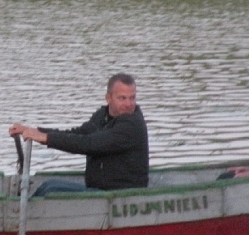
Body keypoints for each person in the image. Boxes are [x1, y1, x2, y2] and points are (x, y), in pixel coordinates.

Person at [8, 73, 149, 196]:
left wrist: (46, 138)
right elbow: (77, 134)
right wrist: (37, 131)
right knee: (49, 185)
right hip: (99, 191)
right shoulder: (102, 115)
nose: (129, 104)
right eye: (122, 98)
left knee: (51, 190)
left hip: (120, 195)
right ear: (108, 98)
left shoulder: (131, 125)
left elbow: (89, 144)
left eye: (132, 98)